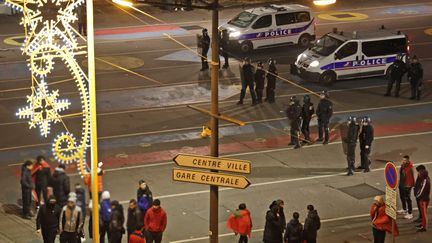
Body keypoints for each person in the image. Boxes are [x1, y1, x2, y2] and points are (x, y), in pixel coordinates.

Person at [415, 165, 430, 232]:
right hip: (423, 199)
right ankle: (423, 224)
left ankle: (424, 227)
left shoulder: (425, 181)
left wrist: (417, 196)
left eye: (419, 173)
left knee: (424, 214)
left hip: (424, 200)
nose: (418, 174)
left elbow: (422, 191)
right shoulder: (426, 179)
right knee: (423, 214)